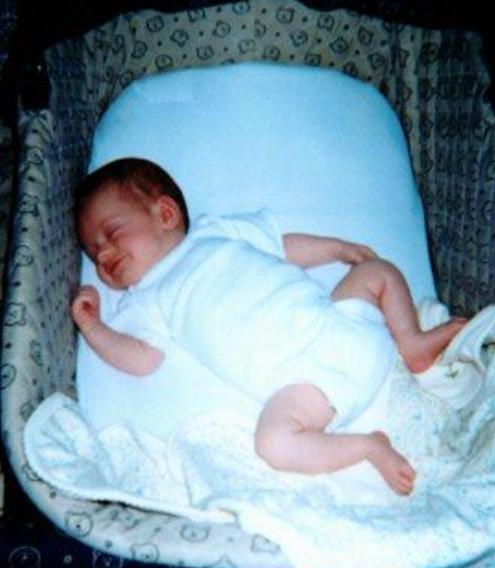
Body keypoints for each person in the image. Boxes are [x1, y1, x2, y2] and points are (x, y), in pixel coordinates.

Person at [72, 157, 466, 495]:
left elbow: (281, 246)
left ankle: (410, 342)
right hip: (308, 385)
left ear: (165, 214)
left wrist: (336, 249)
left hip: (341, 322)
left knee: (375, 270)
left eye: (112, 234)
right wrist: (93, 327)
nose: (103, 254)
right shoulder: (145, 300)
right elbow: (142, 359)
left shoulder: (214, 232)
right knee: (273, 444)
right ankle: (366, 446)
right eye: (93, 251)